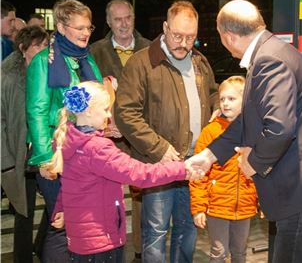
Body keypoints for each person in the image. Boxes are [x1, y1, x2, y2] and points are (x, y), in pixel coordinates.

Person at [187, 0, 302, 263]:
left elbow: (280, 128)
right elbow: (249, 121)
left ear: (229, 36)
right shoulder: (274, 51)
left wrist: (253, 163)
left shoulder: (268, 60)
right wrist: (209, 156)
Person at [114, 0, 219, 263]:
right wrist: (159, 148)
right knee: (156, 232)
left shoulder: (199, 61)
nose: (184, 43)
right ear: (165, 27)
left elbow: (213, 93)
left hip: (194, 164)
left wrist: (218, 106)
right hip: (159, 164)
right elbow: (125, 112)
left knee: (187, 229)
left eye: (191, 37)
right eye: (177, 35)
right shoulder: (142, 63)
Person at [49, 81, 200, 262]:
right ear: (88, 111)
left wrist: (61, 209)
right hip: (101, 239)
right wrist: (181, 168)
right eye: (105, 109)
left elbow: (68, 186)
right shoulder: (97, 148)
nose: (109, 114)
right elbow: (139, 174)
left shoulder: (67, 140)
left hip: (80, 239)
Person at [26, 0, 103, 262]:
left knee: (62, 220)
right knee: (65, 223)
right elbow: (36, 111)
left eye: (88, 27)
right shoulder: (42, 62)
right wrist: (45, 157)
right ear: (60, 26)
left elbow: (98, 98)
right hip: (55, 153)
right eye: (79, 28)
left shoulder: (87, 59)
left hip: (82, 153)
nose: (85, 33)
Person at [90, 0, 151, 259]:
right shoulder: (95, 51)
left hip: (142, 135)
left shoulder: (151, 48)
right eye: (118, 19)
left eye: (128, 18)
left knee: (142, 196)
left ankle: (140, 249)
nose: (124, 24)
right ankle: (108, 247)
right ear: (108, 22)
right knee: (107, 195)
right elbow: (90, 92)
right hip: (109, 136)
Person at [189, 75, 258, 263]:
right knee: (218, 252)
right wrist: (199, 208)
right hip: (217, 206)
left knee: (240, 252)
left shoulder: (254, 130)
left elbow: (261, 170)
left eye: (232, 99)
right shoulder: (211, 131)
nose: (225, 103)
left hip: (245, 205)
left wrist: (263, 202)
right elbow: (199, 176)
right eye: (222, 99)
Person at [2, 25, 49, 263]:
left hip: (44, 151)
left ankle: (42, 246)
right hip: (19, 154)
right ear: (23, 49)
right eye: (37, 46)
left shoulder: (49, 71)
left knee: (55, 205)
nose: (43, 50)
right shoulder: (7, 77)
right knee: (24, 212)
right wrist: (6, 162)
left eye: (45, 45)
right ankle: (23, 258)